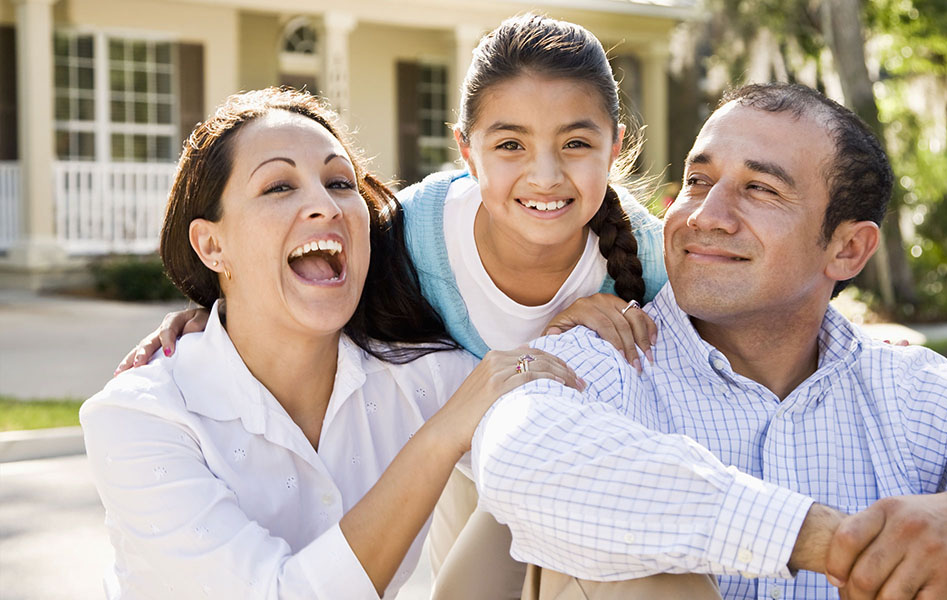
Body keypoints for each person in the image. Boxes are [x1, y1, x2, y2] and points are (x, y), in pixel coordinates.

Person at [468, 83, 947, 600]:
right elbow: (518, 455)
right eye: (697, 181)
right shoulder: (606, 353)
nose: (705, 216)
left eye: (760, 189)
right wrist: (824, 540)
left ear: (847, 251)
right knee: (625, 548)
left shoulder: (912, 392)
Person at [110, 14, 669, 599]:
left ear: (615, 148)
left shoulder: (642, 259)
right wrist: (219, 308)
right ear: (467, 152)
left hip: (544, 452)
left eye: (576, 143)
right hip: (461, 446)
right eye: (510, 144)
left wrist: (565, 345)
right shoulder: (412, 242)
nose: (545, 174)